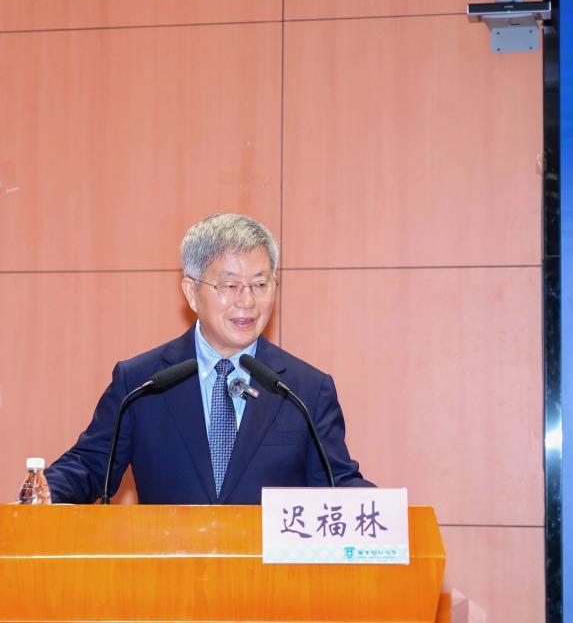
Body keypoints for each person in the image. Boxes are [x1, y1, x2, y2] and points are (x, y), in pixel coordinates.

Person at [46, 213, 372, 504]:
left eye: (260, 284)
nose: (247, 301)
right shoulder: (142, 382)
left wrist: (389, 515)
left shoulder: (306, 390)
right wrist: (44, 493)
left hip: (264, 557)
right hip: (169, 554)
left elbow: (338, 484)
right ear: (191, 292)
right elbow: (89, 465)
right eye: (229, 285)